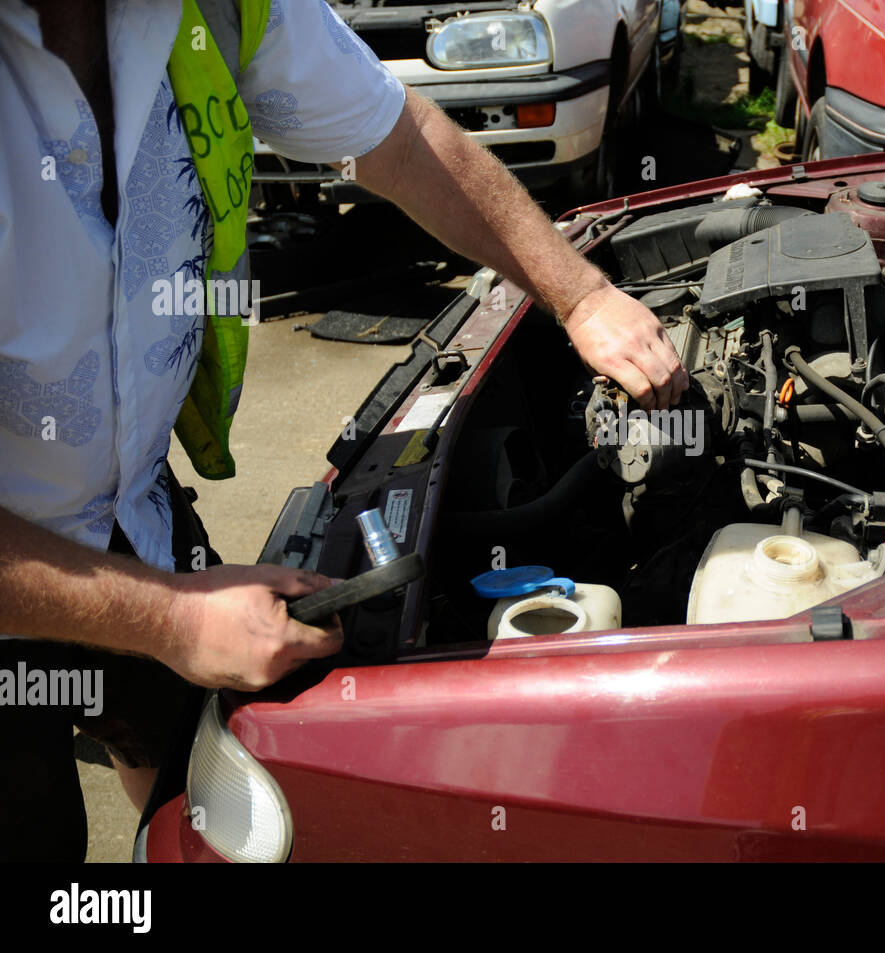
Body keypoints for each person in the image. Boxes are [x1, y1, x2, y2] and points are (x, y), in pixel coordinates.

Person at [0, 0, 688, 860]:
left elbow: (396, 139)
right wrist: (169, 623)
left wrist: (578, 294)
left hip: (128, 509)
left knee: (199, 774)